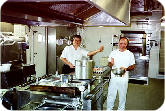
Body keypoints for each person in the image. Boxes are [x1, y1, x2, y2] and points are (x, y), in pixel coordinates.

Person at [107, 37, 135, 110]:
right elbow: (109, 64)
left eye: (124, 44)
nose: (122, 45)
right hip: (114, 77)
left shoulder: (130, 54)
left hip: (124, 77)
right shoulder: (113, 52)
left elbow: (132, 66)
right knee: (111, 94)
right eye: (121, 43)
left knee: (122, 95)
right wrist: (111, 63)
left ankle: (121, 109)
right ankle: (109, 109)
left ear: (127, 44)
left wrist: (126, 68)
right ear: (118, 43)